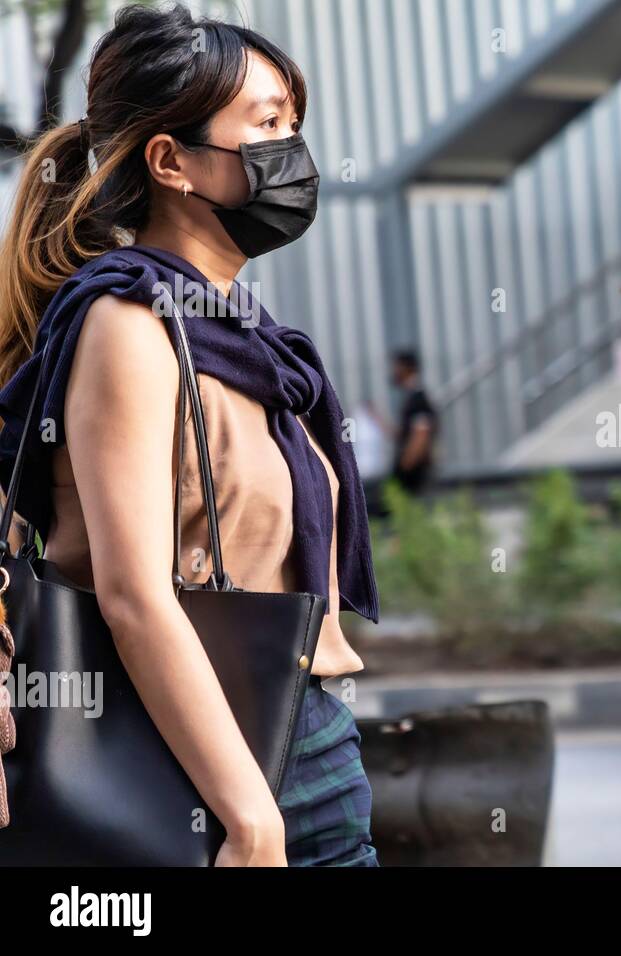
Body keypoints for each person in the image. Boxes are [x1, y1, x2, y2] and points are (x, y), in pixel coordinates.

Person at [0, 4, 379, 866]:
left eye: (296, 122)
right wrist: (248, 815)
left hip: (306, 735)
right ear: (171, 161)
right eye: (268, 123)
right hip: (199, 769)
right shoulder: (128, 326)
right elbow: (135, 594)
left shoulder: (240, 333)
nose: (294, 149)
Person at [388, 349, 438, 495]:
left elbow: (421, 435)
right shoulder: (411, 399)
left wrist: (404, 469)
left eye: (396, 366)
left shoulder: (418, 399)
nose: (394, 371)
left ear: (406, 368)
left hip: (413, 477)